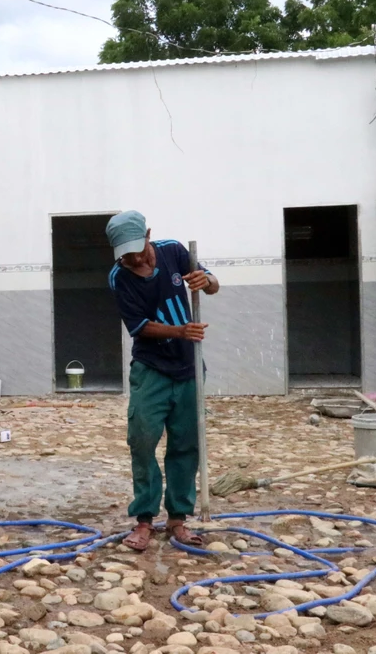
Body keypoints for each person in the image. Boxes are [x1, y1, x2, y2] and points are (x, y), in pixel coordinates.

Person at [105, 211, 220, 551]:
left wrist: (206, 281)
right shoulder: (119, 277)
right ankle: (143, 520)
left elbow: (213, 284)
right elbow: (139, 327)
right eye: (126, 254)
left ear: (148, 235)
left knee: (187, 443)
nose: (135, 259)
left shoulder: (173, 251)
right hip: (151, 369)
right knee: (142, 442)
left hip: (188, 368)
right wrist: (180, 331)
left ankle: (178, 520)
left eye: (138, 250)